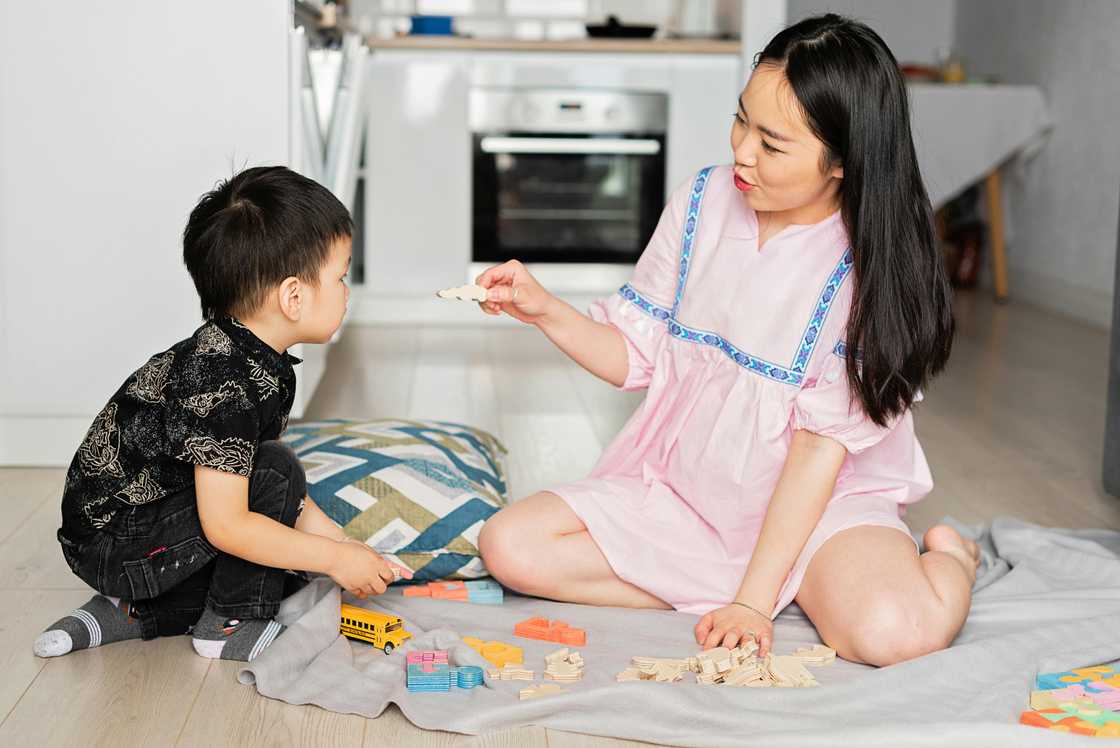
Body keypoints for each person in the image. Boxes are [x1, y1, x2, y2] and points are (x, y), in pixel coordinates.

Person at [475, 14, 978, 667]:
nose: (742, 151)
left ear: (843, 164)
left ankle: (950, 559)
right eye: (742, 121)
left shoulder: (870, 272)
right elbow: (636, 355)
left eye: (772, 144)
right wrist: (545, 310)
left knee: (892, 635)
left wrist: (754, 603)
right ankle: (749, 585)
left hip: (824, 510)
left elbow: (816, 455)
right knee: (510, 546)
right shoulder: (700, 203)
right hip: (688, 491)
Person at [35, 166, 408, 661]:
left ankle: (128, 613)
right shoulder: (221, 381)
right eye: (340, 277)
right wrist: (334, 559)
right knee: (274, 474)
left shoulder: (257, 361)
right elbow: (231, 523)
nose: (346, 290)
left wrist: (350, 550)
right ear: (293, 296)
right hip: (115, 545)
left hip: (139, 538)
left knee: (283, 537)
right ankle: (228, 626)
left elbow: (282, 502)